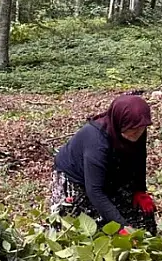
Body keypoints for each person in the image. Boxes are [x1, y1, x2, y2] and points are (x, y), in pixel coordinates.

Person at [50, 94, 156, 233]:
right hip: (76, 178)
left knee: (140, 217)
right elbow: (94, 190)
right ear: (120, 123)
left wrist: (139, 190)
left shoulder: (137, 127)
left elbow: (139, 157)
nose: (137, 134)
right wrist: (121, 227)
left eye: (140, 129)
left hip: (111, 172)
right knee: (85, 229)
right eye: (132, 130)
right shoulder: (97, 141)